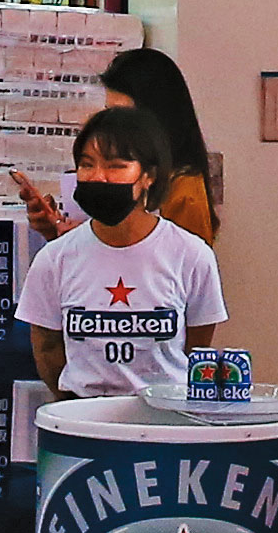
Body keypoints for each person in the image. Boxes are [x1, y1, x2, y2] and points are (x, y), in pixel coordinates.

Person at [16, 107, 237, 399]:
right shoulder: (53, 259)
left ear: (148, 176)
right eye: (87, 165)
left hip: (166, 421)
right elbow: (47, 350)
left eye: (116, 166)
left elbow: (196, 346)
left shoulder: (192, 255)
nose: (98, 177)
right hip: (82, 423)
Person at [12, 49, 225, 244]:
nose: (111, 127)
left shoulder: (184, 194)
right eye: (87, 164)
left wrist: (94, 243)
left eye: (122, 115)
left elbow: (175, 274)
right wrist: (60, 231)